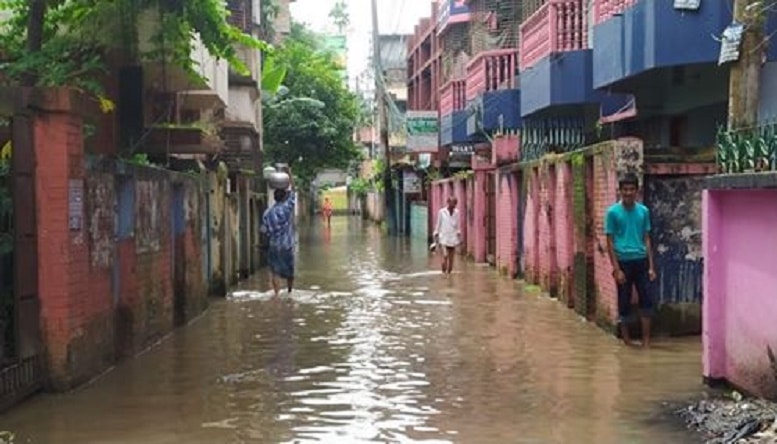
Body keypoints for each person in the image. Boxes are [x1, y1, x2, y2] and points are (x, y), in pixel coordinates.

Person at [605, 173, 657, 347]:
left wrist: (651, 266)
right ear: (620, 191)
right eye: (625, 189)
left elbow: (647, 238)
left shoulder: (644, 211)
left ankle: (646, 342)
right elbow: (609, 241)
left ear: (637, 191)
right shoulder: (612, 213)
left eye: (631, 189)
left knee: (646, 301)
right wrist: (616, 268)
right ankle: (626, 342)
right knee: (624, 302)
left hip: (641, 261)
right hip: (623, 262)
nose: (628, 193)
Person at [261, 172, 296, 297]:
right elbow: (292, 195)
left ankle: (276, 295)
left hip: (274, 246)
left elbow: (264, 231)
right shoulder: (286, 208)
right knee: (290, 272)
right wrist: (290, 178)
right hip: (286, 246)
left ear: (275, 198)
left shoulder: (267, 213)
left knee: (274, 272)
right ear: (283, 198)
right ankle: (290, 292)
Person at [433, 196, 461, 275]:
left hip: (453, 238)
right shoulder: (442, 212)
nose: (453, 206)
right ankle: (443, 272)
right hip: (443, 238)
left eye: (455, 204)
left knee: (451, 261)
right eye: (452, 203)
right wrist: (436, 233)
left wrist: (459, 235)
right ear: (448, 203)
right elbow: (438, 224)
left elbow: (457, 225)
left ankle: (448, 275)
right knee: (445, 255)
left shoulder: (456, 212)